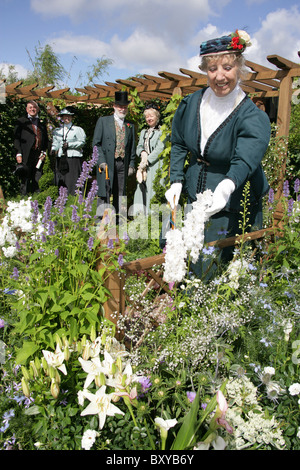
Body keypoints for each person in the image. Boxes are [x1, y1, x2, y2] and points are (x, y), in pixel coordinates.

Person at [165, 30, 271, 278]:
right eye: (212, 68)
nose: (220, 76)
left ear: (240, 68)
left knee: (221, 270)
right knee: (192, 258)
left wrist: (226, 187)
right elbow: (179, 142)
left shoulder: (251, 116)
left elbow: (245, 158)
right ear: (205, 70)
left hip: (233, 203)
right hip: (196, 194)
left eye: (227, 67)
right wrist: (177, 179)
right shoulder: (191, 104)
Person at [92, 91, 136, 222]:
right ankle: (100, 220)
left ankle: (119, 219)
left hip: (123, 163)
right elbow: (96, 144)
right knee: (105, 191)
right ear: (114, 107)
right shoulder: (103, 121)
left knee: (121, 192)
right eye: (120, 106)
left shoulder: (130, 125)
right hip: (106, 163)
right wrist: (100, 161)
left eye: (124, 107)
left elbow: (132, 147)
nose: (122, 109)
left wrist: (132, 164)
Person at [133, 103, 165, 215]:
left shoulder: (162, 131)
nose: (149, 119)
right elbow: (139, 146)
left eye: (151, 116)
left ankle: (153, 217)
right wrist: (142, 153)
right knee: (141, 189)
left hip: (155, 166)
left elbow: (159, 149)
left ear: (157, 117)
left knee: (153, 190)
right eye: (147, 117)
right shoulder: (143, 132)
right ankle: (140, 216)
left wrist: (147, 161)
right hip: (143, 165)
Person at [14, 100, 48, 195]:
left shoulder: (41, 123)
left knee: (37, 174)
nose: (32, 109)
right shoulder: (21, 121)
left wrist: (44, 152)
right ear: (26, 109)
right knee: (25, 175)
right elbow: (16, 139)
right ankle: (23, 197)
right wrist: (18, 153)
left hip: (38, 153)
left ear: (37, 109)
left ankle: (36, 196)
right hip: (25, 152)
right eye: (30, 108)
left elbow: (46, 139)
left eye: (34, 107)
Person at [51, 106, 86, 196]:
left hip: (73, 157)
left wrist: (70, 145)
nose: (67, 118)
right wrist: (53, 149)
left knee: (73, 178)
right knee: (62, 178)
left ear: (72, 117)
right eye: (65, 116)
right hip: (62, 157)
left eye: (69, 116)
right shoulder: (57, 131)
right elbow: (55, 143)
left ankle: (74, 197)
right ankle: (62, 197)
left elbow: (82, 142)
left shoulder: (78, 129)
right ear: (62, 118)